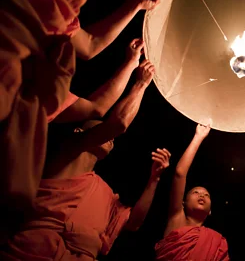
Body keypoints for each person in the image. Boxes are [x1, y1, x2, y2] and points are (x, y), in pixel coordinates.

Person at [0, 0, 161, 210]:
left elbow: (97, 103)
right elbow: (115, 122)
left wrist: (132, 62)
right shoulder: (68, 143)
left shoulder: (39, 101)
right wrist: (139, 83)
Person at [0, 60, 168, 260]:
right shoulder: (66, 153)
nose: (110, 138)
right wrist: (140, 84)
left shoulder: (103, 192)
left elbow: (133, 222)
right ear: (79, 131)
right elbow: (118, 124)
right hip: (34, 251)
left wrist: (154, 179)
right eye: (99, 129)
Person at [154, 124, 229, 261]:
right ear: (183, 203)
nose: (202, 195)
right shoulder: (176, 219)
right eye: (196, 192)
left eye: (207, 195)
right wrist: (198, 136)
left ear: (210, 211)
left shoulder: (216, 242)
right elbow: (180, 174)